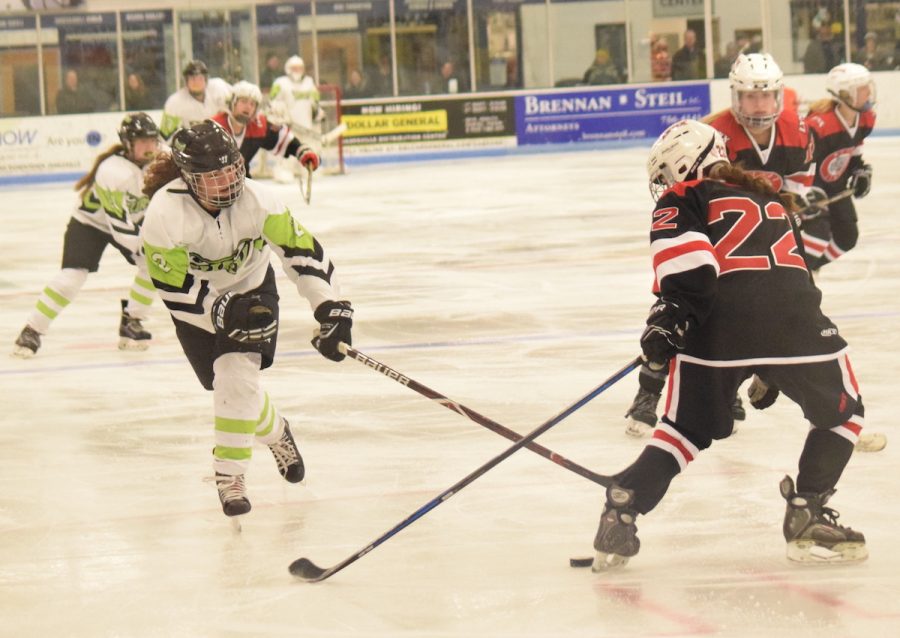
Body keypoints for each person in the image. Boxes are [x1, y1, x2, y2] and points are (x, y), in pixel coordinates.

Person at [592, 118, 868, 572]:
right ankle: (807, 512)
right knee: (845, 416)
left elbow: (694, 268)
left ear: (683, 165)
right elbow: (792, 276)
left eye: (665, 175)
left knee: (682, 432)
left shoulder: (685, 196)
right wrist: (771, 367)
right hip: (796, 327)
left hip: (717, 333)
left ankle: (624, 506)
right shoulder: (773, 200)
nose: (664, 185)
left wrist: (669, 318)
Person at [140, 120, 353, 517]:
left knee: (237, 374)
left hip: (254, 288)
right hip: (196, 305)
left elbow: (301, 252)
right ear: (188, 178)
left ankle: (229, 475)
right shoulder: (165, 212)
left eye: (231, 169)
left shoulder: (260, 200)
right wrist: (215, 310)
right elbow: (172, 286)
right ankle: (277, 431)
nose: (228, 182)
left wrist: (329, 306)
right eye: (214, 175)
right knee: (228, 386)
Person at [623, 53, 814, 438]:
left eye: (765, 97)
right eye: (750, 97)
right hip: (722, 234)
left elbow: (799, 183)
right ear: (735, 97)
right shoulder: (711, 134)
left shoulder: (796, 131)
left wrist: (796, 203)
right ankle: (650, 392)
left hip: (763, 236)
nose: (758, 106)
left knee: (745, 302)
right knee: (688, 301)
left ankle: (743, 381)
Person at [12, 113, 160, 358]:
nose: (149, 147)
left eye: (152, 140)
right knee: (72, 277)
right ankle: (32, 329)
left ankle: (132, 321)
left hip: (130, 219)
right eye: (142, 141)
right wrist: (148, 246)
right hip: (90, 223)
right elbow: (119, 224)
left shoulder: (162, 159)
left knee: (155, 264)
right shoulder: (112, 171)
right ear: (128, 144)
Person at [801, 63, 876, 271]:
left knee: (847, 237)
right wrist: (805, 190)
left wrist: (860, 170)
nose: (868, 92)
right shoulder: (819, 125)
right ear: (845, 93)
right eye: (862, 88)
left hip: (836, 186)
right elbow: (800, 160)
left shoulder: (866, 119)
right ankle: (797, 277)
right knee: (817, 235)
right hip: (812, 188)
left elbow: (854, 153)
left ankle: (807, 270)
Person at [211, 80, 320, 178]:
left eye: (252, 104)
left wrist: (303, 153)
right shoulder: (214, 126)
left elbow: (286, 142)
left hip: (241, 182)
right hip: (212, 185)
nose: (248, 107)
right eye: (243, 101)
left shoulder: (258, 126)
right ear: (232, 102)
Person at [160, 60, 232, 141]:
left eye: (200, 78)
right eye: (192, 78)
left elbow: (237, 109)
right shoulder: (174, 103)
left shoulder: (219, 88)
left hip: (222, 142)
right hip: (194, 147)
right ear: (186, 81)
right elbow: (165, 137)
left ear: (206, 80)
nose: (196, 82)